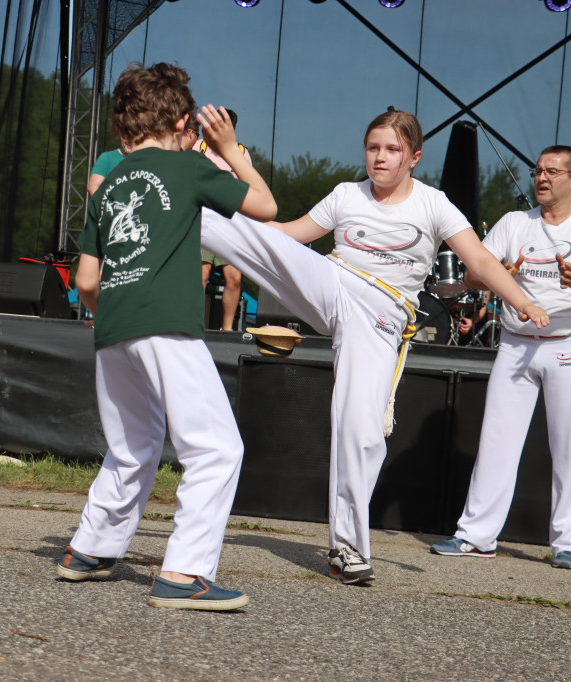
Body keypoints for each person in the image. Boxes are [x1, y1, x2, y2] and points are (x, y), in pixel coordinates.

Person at [201, 109, 549, 585]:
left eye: (391, 150)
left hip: (383, 314)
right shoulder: (347, 194)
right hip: (334, 282)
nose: (379, 158)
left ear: (414, 157)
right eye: (372, 148)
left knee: (361, 431)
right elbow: (284, 237)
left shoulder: (434, 204)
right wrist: (232, 165)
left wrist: (523, 301)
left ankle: (347, 550)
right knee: (258, 236)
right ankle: (178, 201)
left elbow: (482, 261)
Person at [59, 62, 277, 610]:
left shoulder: (106, 190)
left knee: (133, 447)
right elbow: (267, 208)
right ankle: (183, 574)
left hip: (112, 328)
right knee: (217, 448)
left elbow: (86, 280)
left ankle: (87, 549)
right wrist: (229, 148)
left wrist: (115, 310)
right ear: (184, 121)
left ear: (121, 127)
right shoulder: (188, 168)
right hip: (166, 326)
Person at [432, 145, 571, 569]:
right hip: (516, 344)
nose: (542, 177)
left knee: (570, 447)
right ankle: (476, 536)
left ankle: (568, 543)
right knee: (496, 441)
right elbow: (470, 274)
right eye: (538, 170)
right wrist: (504, 275)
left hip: (569, 344)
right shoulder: (514, 222)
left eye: (553, 171)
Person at [196, 108, 251, 331]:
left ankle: (227, 329)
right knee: (201, 276)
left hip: (229, 224)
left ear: (233, 129)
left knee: (234, 278)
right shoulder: (197, 147)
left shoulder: (240, 152)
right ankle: (195, 325)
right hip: (202, 222)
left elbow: (247, 189)